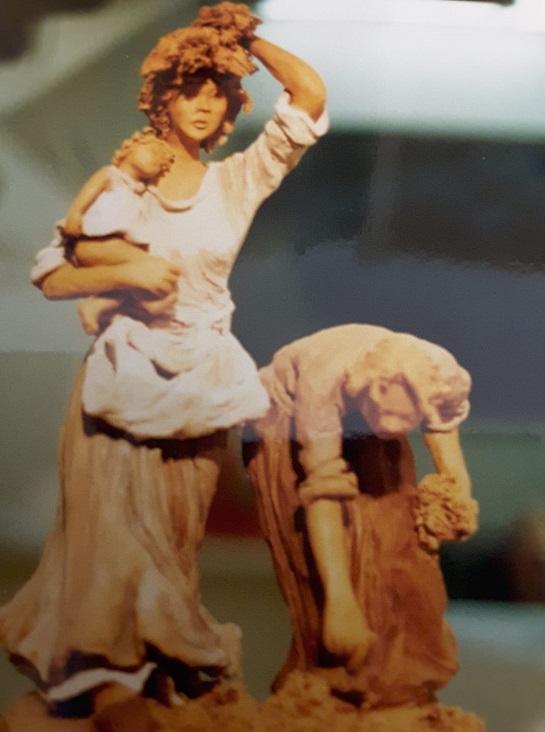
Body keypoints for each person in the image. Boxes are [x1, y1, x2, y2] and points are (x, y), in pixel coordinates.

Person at [0, 2, 328, 716]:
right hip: (117, 385)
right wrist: (128, 273)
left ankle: (156, 680)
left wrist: (245, 39)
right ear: (161, 99)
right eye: (190, 90)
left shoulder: (235, 182)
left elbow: (307, 96)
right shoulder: (123, 181)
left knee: (174, 545)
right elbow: (53, 274)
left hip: (200, 383)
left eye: (217, 92)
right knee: (107, 538)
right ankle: (99, 683)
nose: (204, 105)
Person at [245, 324, 478, 707]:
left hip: (360, 414)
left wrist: (456, 502)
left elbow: (445, 441)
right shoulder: (323, 380)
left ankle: (397, 684)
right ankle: (328, 683)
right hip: (285, 420)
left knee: (400, 541)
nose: (392, 427)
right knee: (317, 566)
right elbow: (322, 492)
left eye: (403, 420)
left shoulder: (445, 379)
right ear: (373, 389)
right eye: (386, 414)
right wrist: (341, 603)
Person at [62, 128, 175, 335]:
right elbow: (86, 195)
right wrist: (75, 215)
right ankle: (106, 305)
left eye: (161, 164)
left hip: (115, 247)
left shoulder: (140, 191)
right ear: (131, 147)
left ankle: (101, 307)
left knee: (136, 280)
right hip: (96, 243)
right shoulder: (110, 175)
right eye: (153, 152)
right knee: (155, 271)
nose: (156, 161)